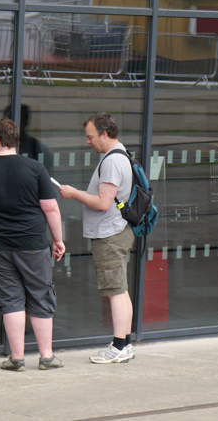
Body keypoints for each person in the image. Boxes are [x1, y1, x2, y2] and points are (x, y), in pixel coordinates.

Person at [0, 118, 66, 371]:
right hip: (32, 244)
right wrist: (58, 239)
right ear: (15, 140)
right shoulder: (35, 168)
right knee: (40, 294)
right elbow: (51, 207)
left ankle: (17, 358)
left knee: (11, 297)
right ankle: (46, 357)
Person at [59, 112, 136, 364]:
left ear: (104, 134)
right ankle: (125, 343)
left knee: (115, 291)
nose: (88, 142)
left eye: (91, 137)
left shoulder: (112, 161)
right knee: (121, 290)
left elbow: (103, 203)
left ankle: (118, 347)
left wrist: (75, 194)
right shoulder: (118, 154)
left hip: (109, 234)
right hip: (117, 230)